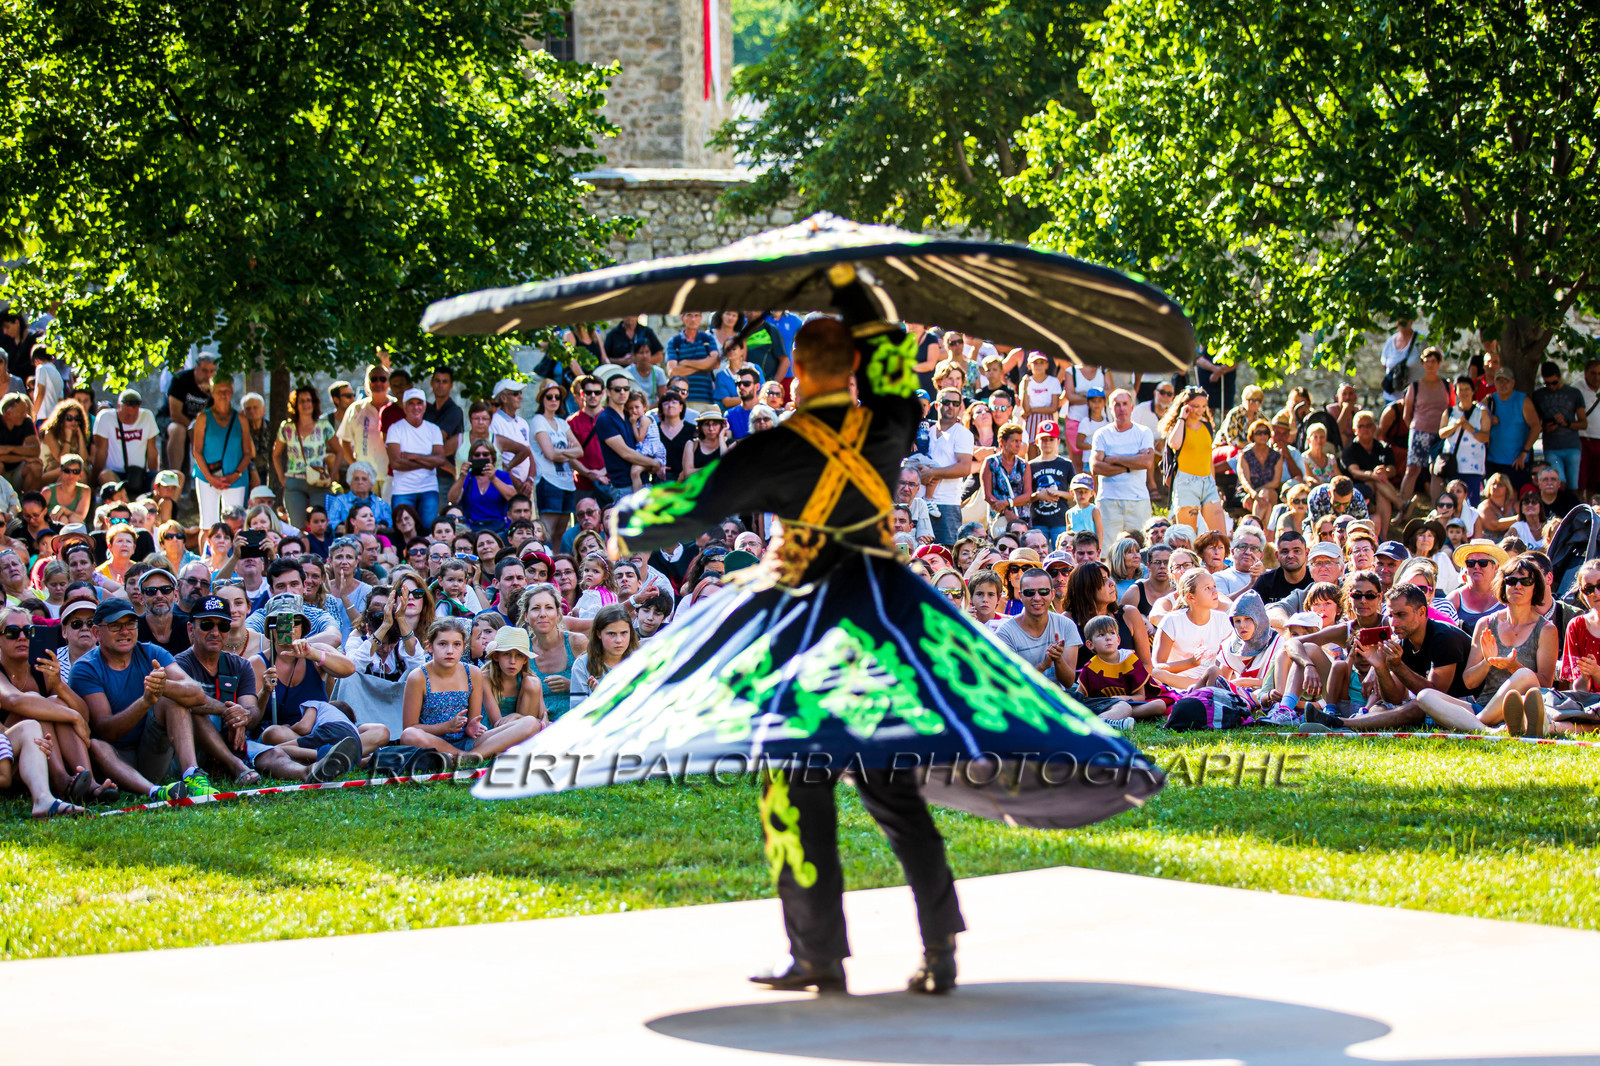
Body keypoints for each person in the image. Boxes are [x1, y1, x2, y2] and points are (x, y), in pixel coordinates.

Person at [575, 310, 1153, 997]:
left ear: (795, 377)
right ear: (850, 371)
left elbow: (679, 511)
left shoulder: (779, 445)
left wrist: (621, 521)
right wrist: (868, 310)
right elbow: (900, 394)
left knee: (795, 789)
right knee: (893, 789)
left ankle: (817, 952)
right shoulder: (881, 428)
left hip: (811, 633)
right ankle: (939, 946)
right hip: (883, 627)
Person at [72, 598, 219, 800]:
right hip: (114, 761)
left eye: (131, 624)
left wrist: (163, 687)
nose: (125, 631)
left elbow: (197, 694)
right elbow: (105, 730)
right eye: (115, 626)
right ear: (97, 633)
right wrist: (146, 701)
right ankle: (155, 792)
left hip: (153, 753)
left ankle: (192, 775)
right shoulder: (85, 668)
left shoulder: (152, 651)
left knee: (173, 697)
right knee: (97, 744)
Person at [398, 617, 540, 758]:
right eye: (442, 644)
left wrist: (473, 727)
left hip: (467, 742)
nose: (450, 651)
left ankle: (469, 756)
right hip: (432, 742)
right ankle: (464, 756)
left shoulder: (472, 673)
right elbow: (410, 727)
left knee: (530, 723)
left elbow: (473, 721)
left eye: (456, 644)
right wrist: (446, 727)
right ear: (429, 646)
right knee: (409, 735)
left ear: (464, 646)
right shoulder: (418, 677)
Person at [992, 567, 1080, 686]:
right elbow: (1012, 685)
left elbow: (1068, 682)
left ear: (1052, 594)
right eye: (1030, 593)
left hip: (1058, 696)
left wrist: (1058, 659)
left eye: (1043, 592)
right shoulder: (1005, 633)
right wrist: (1042, 666)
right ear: (1021, 596)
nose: (1037, 598)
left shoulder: (1066, 625)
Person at [1091, 389, 1155, 538]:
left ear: (1132, 407)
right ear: (1110, 408)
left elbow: (1146, 462)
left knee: (1140, 546)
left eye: (1125, 404)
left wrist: (1114, 459)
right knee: (1107, 547)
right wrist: (1131, 464)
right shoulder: (1102, 434)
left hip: (1138, 499)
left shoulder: (1144, 432)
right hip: (1108, 500)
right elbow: (1096, 467)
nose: (1121, 408)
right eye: (1117, 404)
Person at [189, 376, 252, 527]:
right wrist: (210, 478)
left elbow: (247, 452)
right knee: (208, 524)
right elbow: (197, 451)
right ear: (212, 392)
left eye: (227, 391)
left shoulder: (241, 419)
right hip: (207, 477)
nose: (223, 395)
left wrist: (236, 474)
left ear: (232, 392)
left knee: (235, 524)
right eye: (219, 391)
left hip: (234, 479)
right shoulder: (203, 418)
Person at [1161, 386, 1224, 534]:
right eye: (1196, 406)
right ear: (1186, 405)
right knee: (1188, 535)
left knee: (1220, 535)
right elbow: (1174, 444)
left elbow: (1208, 457)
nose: (1200, 410)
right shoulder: (1178, 426)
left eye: (1203, 406)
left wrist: (1213, 483)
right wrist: (1182, 418)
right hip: (1186, 483)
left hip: (1207, 482)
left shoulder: (1207, 426)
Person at [274, 385, 339, 528]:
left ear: (314, 403)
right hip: (294, 481)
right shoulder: (287, 427)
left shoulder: (323, 426)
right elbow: (276, 454)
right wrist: (281, 478)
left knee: (319, 526)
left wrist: (333, 476)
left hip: (318, 482)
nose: (306, 404)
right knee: (297, 527)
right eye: (302, 401)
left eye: (309, 400)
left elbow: (339, 451)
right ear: (295, 405)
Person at [1154, 567, 1231, 686]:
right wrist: (1191, 662)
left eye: (1214, 586)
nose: (1215, 591)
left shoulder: (1222, 619)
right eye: (1207, 588)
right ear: (1190, 597)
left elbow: (1228, 661)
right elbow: (1158, 666)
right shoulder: (1172, 620)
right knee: (1156, 674)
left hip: (1209, 680)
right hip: (1179, 681)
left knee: (1215, 672)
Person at [519, 582, 585, 720]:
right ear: (526, 616)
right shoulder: (522, 649)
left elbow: (600, 686)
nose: (543, 614)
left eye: (549, 608)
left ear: (558, 614)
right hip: (538, 723)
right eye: (535, 608)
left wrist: (571, 685)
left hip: (578, 720)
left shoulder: (577, 642)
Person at [921, 388, 974, 545]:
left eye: (955, 403)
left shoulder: (963, 433)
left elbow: (964, 468)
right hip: (920, 502)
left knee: (947, 552)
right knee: (918, 553)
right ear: (937, 405)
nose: (951, 406)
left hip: (947, 503)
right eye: (946, 402)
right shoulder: (927, 430)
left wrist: (932, 473)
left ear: (960, 407)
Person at [529, 381, 581, 540]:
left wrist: (559, 452)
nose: (554, 400)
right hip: (548, 481)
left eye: (557, 397)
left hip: (567, 482)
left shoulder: (562, 423)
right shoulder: (538, 420)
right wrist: (568, 452)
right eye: (549, 396)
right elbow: (550, 454)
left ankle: (558, 556)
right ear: (542, 399)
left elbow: (579, 451)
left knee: (561, 531)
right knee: (548, 531)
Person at [335, 364, 393, 494]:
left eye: (383, 379)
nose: (378, 383)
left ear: (389, 383)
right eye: (374, 379)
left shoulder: (396, 407)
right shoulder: (356, 409)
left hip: (391, 475)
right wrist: (354, 465)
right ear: (368, 383)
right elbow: (345, 441)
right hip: (365, 477)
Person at [569, 602, 639, 706]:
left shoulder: (639, 662)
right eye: (611, 634)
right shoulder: (582, 665)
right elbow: (577, 711)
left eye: (624, 633)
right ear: (599, 634)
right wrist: (597, 699)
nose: (619, 640)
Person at [165, 352, 216, 489]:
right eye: (204, 371)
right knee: (178, 430)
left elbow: (218, 413)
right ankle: (173, 479)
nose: (208, 375)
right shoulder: (181, 380)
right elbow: (175, 414)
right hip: (174, 421)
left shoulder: (216, 386)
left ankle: (208, 476)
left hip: (200, 424)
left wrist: (211, 393)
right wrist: (194, 426)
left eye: (212, 371)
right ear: (196, 369)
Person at [1532, 361, 1585, 493]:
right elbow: (1534, 424)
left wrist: (1567, 423)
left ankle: (1574, 505)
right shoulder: (1539, 395)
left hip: (1572, 446)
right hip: (1552, 447)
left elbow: (1584, 423)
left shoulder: (1574, 393)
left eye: (1554, 382)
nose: (1551, 386)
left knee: (1574, 486)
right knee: (1558, 483)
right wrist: (1545, 427)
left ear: (1560, 376)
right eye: (1547, 384)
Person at [1484, 367, 1541, 488]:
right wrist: (1488, 421)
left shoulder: (1523, 400)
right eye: (1499, 381)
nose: (1502, 384)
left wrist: (1524, 452)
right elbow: (1475, 424)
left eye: (1506, 381)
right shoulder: (1489, 400)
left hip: (1517, 461)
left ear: (1513, 383)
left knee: (1516, 495)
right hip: (1493, 460)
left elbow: (1536, 427)